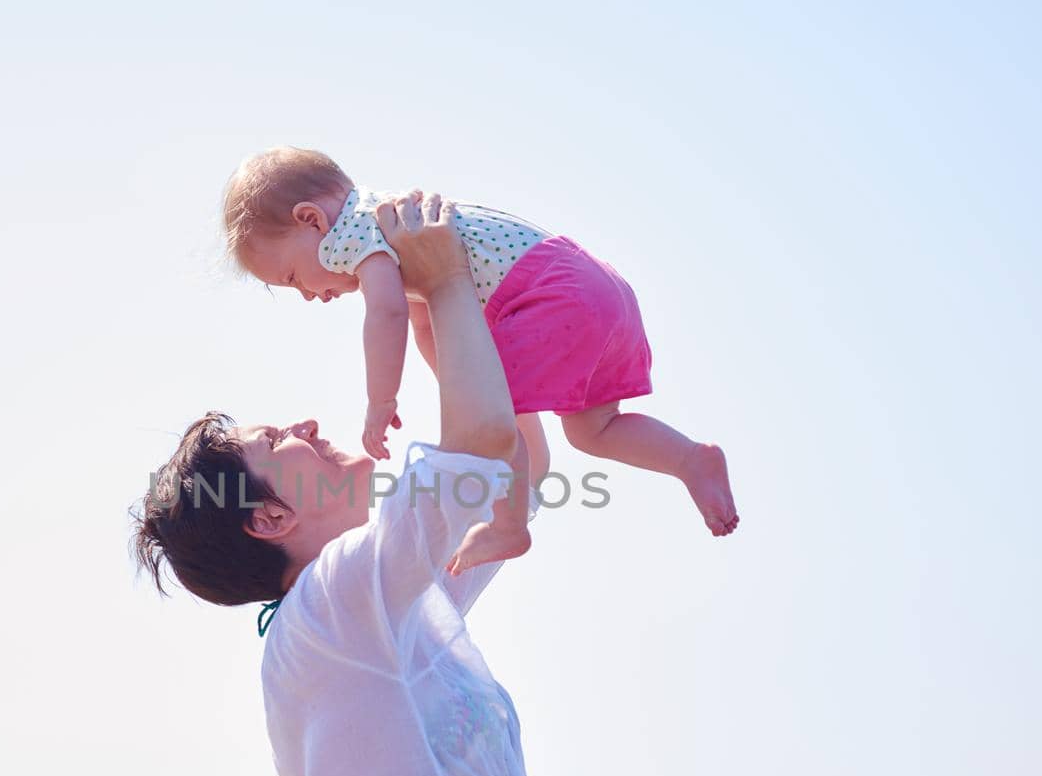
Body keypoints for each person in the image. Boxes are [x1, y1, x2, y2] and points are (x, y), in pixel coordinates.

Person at [132, 192, 608, 776]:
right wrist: (449, 282)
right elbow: (483, 449)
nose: (307, 423)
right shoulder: (330, 608)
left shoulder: (367, 610)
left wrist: (433, 317)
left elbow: (513, 463)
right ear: (271, 520)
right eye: (278, 440)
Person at [221, 146, 739, 575]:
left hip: (547, 298)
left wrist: (381, 401)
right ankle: (690, 458)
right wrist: (451, 374)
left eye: (292, 279)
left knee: (488, 420)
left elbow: (387, 314)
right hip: (596, 289)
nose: (309, 295)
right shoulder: (398, 222)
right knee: (592, 429)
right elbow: (430, 326)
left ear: (310, 220)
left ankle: (507, 527)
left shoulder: (355, 233)